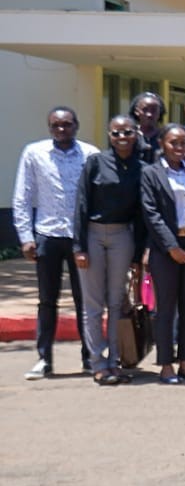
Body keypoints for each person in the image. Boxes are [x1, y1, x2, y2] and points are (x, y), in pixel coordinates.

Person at [14, 106, 98, 380]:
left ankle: (90, 357)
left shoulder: (90, 154)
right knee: (47, 300)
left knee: (84, 299)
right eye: (56, 125)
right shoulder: (34, 153)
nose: (61, 130)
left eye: (67, 124)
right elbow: (23, 197)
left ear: (76, 125)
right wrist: (26, 237)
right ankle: (44, 359)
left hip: (80, 238)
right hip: (47, 235)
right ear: (49, 127)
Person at [73, 114, 145, 386]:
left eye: (127, 132)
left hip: (122, 235)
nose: (122, 137)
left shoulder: (141, 168)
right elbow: (80, 204)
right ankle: (98, 363)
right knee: (93, 304)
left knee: (116, 302)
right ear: (109, 134)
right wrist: (79, 246)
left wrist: (138, 255)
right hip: (92, 233)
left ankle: (116, 361)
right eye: (116, 133)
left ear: (135, 134)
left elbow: (141, 213)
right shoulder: (95, 162)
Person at [140, 123, 185, 385]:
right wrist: (172, 247)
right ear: (162, 144)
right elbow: (151, 213)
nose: (181, 148)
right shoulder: (151, 173)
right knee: (166, 309)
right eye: (174, 143)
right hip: (165, 250)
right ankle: (166, 365)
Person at [129, 91, 165, 162]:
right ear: (137, 111)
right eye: (145, 110)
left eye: (154, 110)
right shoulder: (129, 135)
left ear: (160, 112)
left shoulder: (165, 137)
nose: (149, 114)